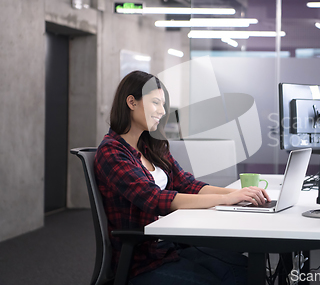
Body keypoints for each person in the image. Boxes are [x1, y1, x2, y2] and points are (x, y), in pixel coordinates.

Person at [94, 70, 270, 285]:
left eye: (163, 105)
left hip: (172, 247)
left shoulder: (151, 147)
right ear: (131, 102)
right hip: (143, 261)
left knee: (246, 270)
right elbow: (155, 199)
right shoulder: (112, 152)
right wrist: (225, 199)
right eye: (155, 103)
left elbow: (187, 184)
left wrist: (239, 194)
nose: (162, 111)